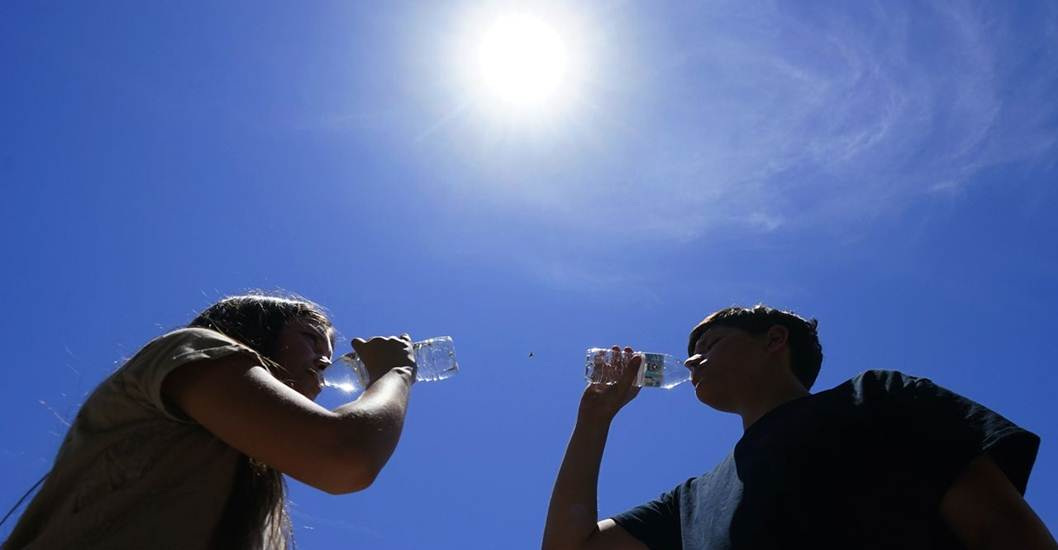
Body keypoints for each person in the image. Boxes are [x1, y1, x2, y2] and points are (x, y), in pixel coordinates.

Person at [543, 305, 1056, 550]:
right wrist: (595, 418)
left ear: (774, 339)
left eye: (712, 344)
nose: (692, 362)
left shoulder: (876, 397)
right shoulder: (691, 501)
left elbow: (1002, 530)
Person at [4, 293, 419, 549]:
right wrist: (395, 373)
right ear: (257, 331)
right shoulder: (190, 349)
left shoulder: (253, 479)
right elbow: (345, 455)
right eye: (311, 338)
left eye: (328, 350)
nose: (325, 360)